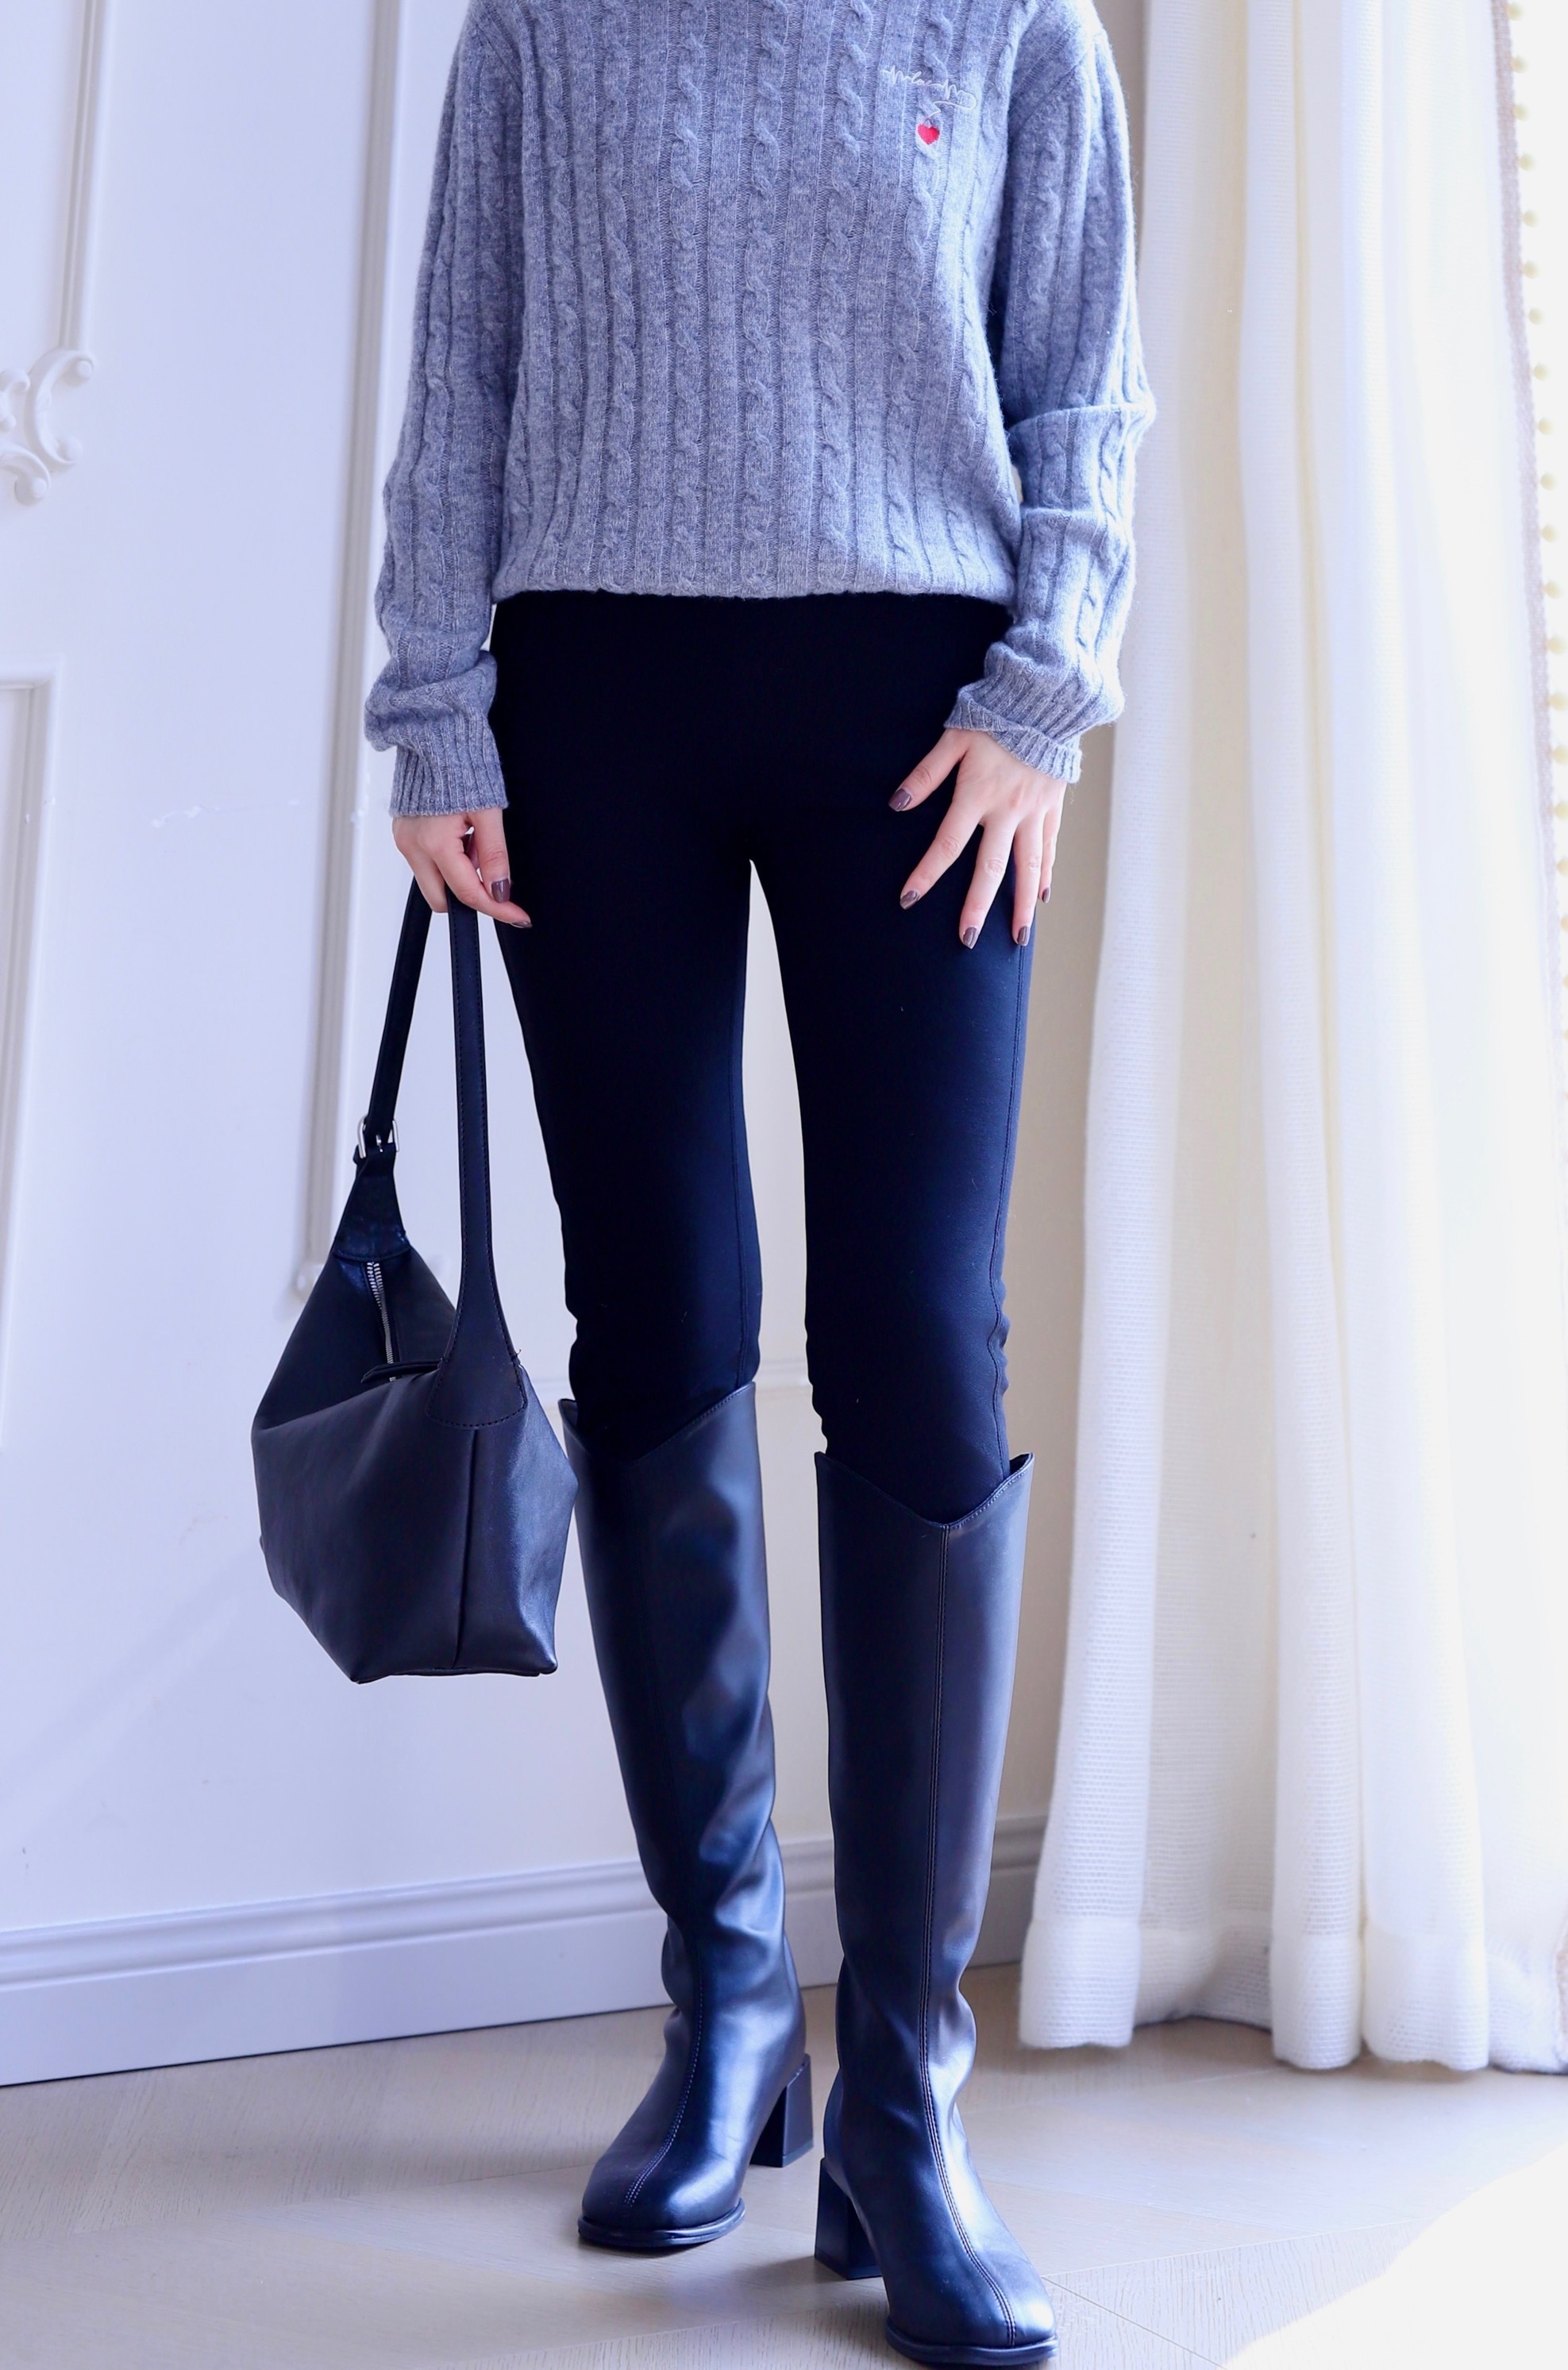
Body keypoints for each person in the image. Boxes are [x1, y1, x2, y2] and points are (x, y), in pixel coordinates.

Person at [367, 2, 1150, 2359]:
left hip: (920, 719)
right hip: (589, 705)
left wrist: (1044, 692)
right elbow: (463, 369)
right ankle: (725, 2005)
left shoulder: (1011, 24)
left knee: (917, 1340)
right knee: (660, 1321)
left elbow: (1081, 388)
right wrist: (434, 702)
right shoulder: (537, 26)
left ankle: (904, 2090)